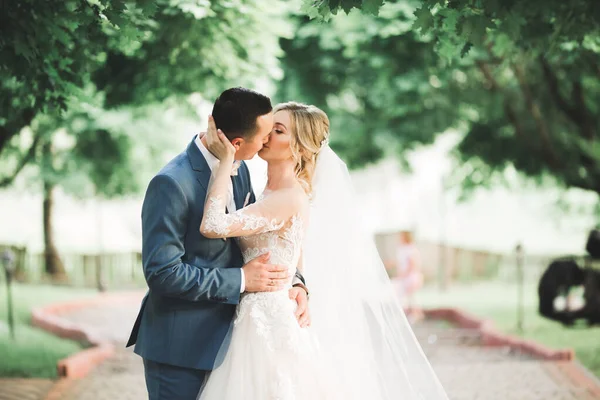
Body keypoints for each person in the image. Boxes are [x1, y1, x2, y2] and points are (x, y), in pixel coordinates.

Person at [198, 101, 449, 399]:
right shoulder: (266, 192)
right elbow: (294, 247)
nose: (265, 136)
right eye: (268, 128)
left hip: (270, 319)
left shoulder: (290, 197)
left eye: (278, 131)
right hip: (256, 315)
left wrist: (226, 159)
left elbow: (212, 224)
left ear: (300, 148)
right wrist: (298, 282)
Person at [126, 88, 310, 400]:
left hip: (236, 343)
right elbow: (162, 273)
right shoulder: (171, 183)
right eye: (265, 135)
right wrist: (241, 279)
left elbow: (262, 235)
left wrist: (297, 281)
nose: (267, 142)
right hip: (179, 348)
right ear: (237, 143)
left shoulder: (239, 171)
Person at [391, 230, 425, 320]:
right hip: (405, 276)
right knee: (408, 296)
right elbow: (400, 262)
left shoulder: (410, 249)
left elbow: (412, 264)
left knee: (410, 296)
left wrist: (403, 275)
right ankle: (415, 314)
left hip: (410, 277)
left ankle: (415, 314)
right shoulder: (402, 248)